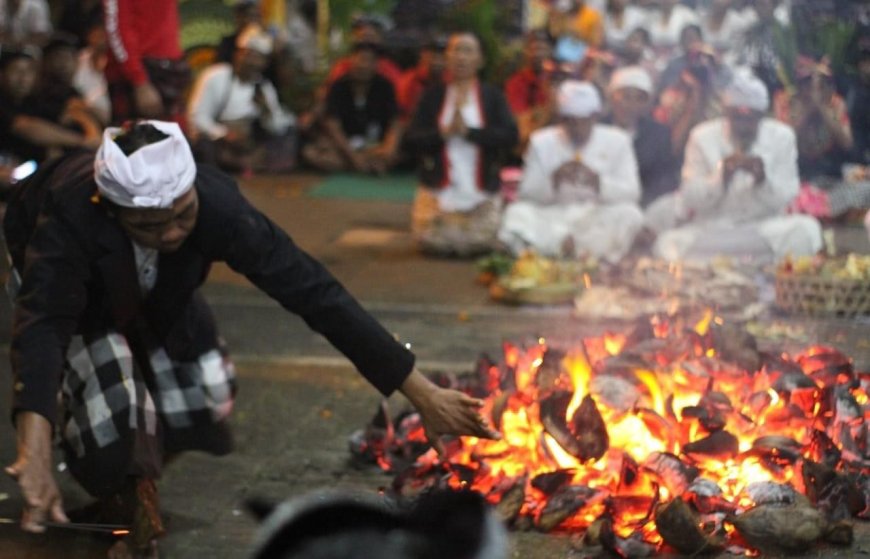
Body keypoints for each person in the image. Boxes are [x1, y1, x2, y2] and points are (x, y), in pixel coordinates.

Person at [2, 120, 500, 557]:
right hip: (79, 297)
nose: (174, 233)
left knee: (207, 393)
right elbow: (43, 325)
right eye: (151, 225)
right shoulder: (71, 215)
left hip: (161, 287)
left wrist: (423, 393)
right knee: (116, 405)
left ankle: (134, 486)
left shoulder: (217, 205)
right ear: (114, 213)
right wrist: (36, 449)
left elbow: (313, 291)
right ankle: (125, 488)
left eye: (182, 215)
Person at [646, 70, 822, 262]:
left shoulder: (782, 136)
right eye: (737, 117)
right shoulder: (702, 136)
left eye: (751, 118)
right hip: (713, 230)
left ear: (762, 115)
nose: (744, 125)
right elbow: (690, 197)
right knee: (668, 244)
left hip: (763, 230)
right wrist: (720, 177)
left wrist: (763, 180)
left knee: (806, 229)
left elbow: (789, 193)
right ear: (726, 113)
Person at [498, 80, 643, 263]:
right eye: (570, 122)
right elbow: (526, 194)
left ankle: (573, 250)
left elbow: (633, 193)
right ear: (561, 119)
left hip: (596, 217)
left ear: (595, 117)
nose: (577, 129)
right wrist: (553, 180)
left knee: (631, 214)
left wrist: (598, 182)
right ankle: (567, 248)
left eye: (583, 122)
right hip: (553, 216)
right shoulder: (542, 142)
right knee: (516, 214)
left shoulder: (617, 140)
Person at [403, 31, 518, 257]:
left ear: (480, 60)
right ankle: (457, 236)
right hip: (440, 192)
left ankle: (465, 237)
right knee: (431, 242)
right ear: (447, 58)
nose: (461, 57)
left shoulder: (492, 97)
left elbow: (509, 136)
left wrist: (470, 133)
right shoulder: (432, 96)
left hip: (480, 194)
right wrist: (443, 134)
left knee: (476, 241)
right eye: (455, 50)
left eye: (468, 51)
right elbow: (411, 139)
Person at [187, 24, 295, 175]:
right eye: (249, 55)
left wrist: (266, 111)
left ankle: (250, 163)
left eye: (259, 59)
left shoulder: (263, 87)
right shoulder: (215, 76)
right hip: (220, 140)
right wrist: (225, 134)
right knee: (204, 146)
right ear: (238, 54)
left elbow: (277, 127)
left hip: (250, 143)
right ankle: (237, 164)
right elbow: (197, 118)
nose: (253, 62)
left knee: (285, 136)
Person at [301, 42, 400, 174]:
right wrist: (353, 157)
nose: (363, 65)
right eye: (360, 59)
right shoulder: (338, 86)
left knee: (396, 154)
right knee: (312, 154)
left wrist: (388, 148)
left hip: (375, 145)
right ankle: (366, 166)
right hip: (345, 146)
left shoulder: (385, 87)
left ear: (376, 64)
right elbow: (333, 125)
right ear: (351, 60)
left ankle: (365, 165)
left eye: (369, 61)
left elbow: (395, 122)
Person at [0, 46, 101, 164]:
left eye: (29, 71)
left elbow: (61, 120)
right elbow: (25, 127)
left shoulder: (37, 101)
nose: (23, 77)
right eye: (16, 71)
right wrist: (82, 141)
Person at [103, 0, 191, 124]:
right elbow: (117, 30)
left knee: (175, 137)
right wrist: (139, 81)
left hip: (170, 68)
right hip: (139, 74)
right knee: (135, 139)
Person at [603, 66, 678, 207]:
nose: (631, 105)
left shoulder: (659, 134)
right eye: (626, 97)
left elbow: (665, 181)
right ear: (612, 98)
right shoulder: (595, 129)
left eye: (639, 99)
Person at [773, 56, 853, 180]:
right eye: (808, 84)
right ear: (800, 86)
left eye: (822, 84)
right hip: (795, 172)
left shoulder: (836, 102)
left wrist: (821, 107)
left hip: (829, 172)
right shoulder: (785, 101)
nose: (814, 90)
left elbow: (847, 143)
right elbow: (781, 144)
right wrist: (809, 110)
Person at [504, 30, 555, 154]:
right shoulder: (516, 82)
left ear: (550, 51)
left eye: (542, 49)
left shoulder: (556, 79)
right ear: (525, 51)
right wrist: (550, 109)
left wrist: (537, 114)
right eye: (533, 49)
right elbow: (522, 127)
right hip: (527, 150)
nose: (537, 54)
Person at [397, 36, 446, 123]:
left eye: (441, 56)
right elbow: (401, 116)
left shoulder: (451, 81)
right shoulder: (410, 80)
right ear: (422, 55)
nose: (437, 60)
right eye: (433, 54)